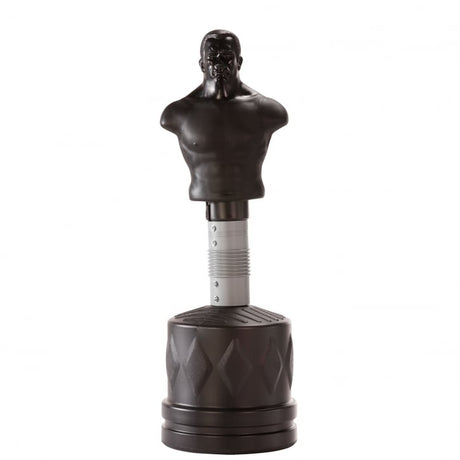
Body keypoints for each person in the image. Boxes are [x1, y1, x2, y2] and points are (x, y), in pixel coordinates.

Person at [160, 29, 288, 202]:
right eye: (212, 58)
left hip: (247, 194)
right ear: (202, 64)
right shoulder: (178, 113)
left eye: (226, 57)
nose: (218, 64)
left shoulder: (267, 110)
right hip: (204, 196)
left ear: (239, 62)